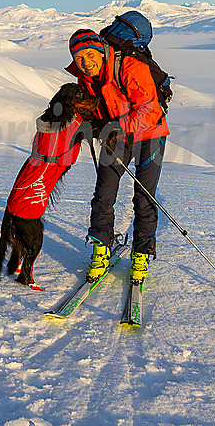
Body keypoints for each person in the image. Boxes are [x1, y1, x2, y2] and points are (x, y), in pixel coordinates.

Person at [65, 27, 169, 284]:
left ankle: (141, 254)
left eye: (89, 54)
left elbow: (149, 110)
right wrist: (89, 124)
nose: (85, 63)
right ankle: (101, 249)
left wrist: (113, 128)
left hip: (150, 134)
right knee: (104, 193)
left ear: (101, 51)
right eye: (79, 58)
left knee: (144, 197)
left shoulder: (131, 67)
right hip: (118, 136)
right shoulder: (85, 78)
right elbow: (93, 108)